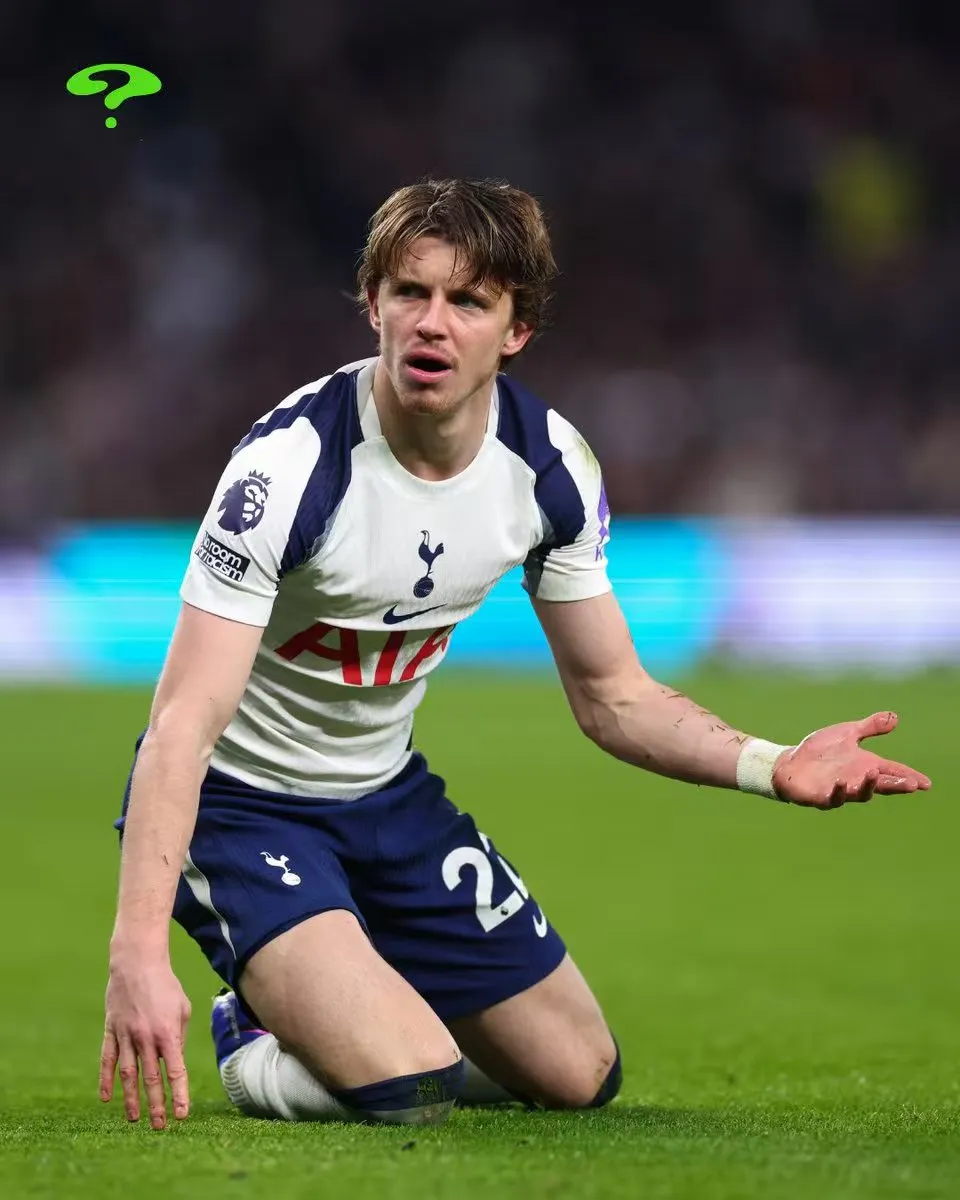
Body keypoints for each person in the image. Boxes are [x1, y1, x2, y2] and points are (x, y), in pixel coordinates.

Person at [100, 177, 932, 1131]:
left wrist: (773, 764)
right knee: (416, 1086)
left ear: (517, 329)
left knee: (579, 1074)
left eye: (468, 301)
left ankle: (346, 994)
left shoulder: (547, 468)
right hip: (243, 808)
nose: (432, 323)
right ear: (373, 304)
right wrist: (137, 955)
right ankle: (255, 1037)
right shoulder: (286, 472)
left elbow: (614, 696)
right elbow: (183, 723)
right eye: (409, 292)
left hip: (385, 796)